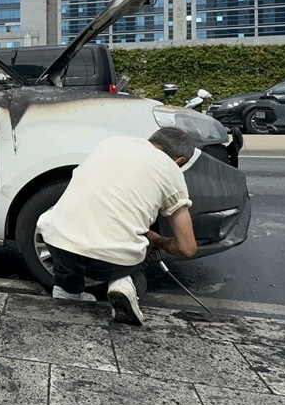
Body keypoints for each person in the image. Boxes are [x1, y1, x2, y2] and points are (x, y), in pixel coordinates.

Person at [36, 127, 198, 326]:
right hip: (112, 262)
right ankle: (125, 283)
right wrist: (155, 239)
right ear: (179, 161)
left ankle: (67, 291)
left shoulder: (110, 143)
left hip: (57, 247)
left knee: (73, 223)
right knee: (141, 240)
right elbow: (187, 247)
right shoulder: (170, 168)